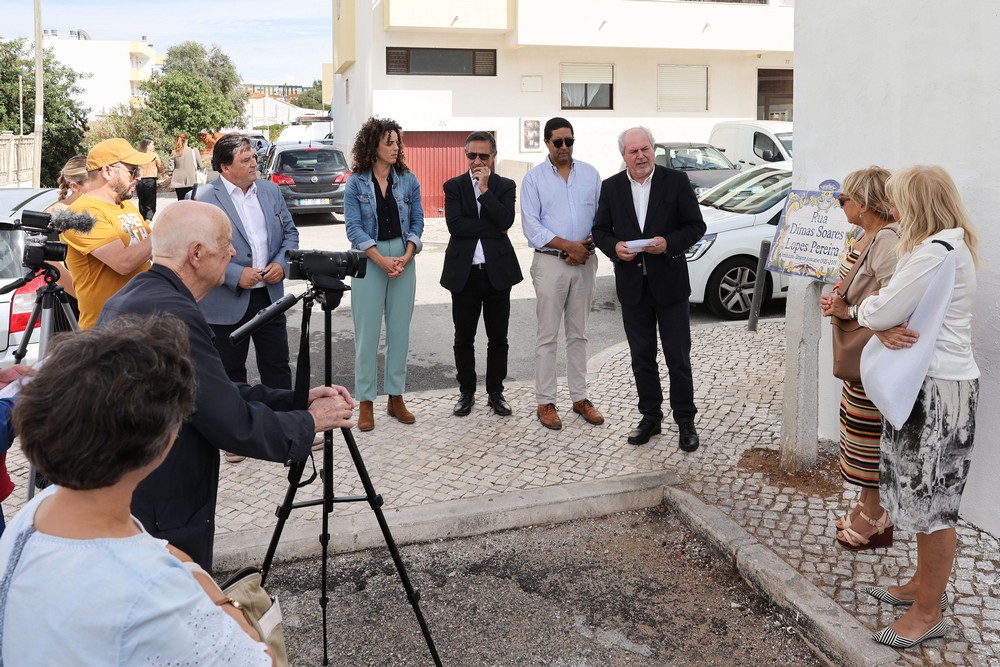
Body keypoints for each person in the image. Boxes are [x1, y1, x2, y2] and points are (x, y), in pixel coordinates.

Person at [0, 315, 274, 665]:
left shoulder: (34, 515)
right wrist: (229, 608)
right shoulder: (153, 592)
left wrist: (182, 565)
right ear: (161, 446)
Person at [98, 200, 355, 571]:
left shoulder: (139, 295)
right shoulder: (175, 315)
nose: (234, 252)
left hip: (136, 497)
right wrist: (310, 422)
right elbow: (231, 424)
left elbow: (210, 391)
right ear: (197, 253)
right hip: (159, 512)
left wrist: (296, 400)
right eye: (226, 242)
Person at [856, 165, 979, 649]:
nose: (894, 211)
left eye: (899, 201)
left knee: (934, 507)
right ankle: (920, 589)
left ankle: (929, 611)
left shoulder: (932, 252)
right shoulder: (953, 244)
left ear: (915, 204)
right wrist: (882, 318)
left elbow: (878, 306)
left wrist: (873, 317)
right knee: (925, 499)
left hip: (934, 393)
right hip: (942, 387)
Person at [592, 127, 706, 450]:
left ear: (653, 149)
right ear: (623, 156)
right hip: (633, 288)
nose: (640, 156)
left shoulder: (676, 182)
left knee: (678, 357)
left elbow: (697, 226)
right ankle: (650, 418)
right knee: (642, 357)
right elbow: (599, 230)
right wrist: (615, 247)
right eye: (633, 151)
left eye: (645, 149)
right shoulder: (611, 188)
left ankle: (685, 420)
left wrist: (668, 243)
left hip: (669, 286)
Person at [818, 166, 909, 550]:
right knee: (857, 432)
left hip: (871, 354)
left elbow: (896, 297)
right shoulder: (863, 235)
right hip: (860, 355)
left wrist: (850, 312)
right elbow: (857, 285)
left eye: (845, 198)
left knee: (869, 438)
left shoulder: (887, 240)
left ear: (865, 203)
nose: (841, 204)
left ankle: (875, 516)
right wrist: (838, 297)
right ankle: (866, 505)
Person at [520, 117, 604, 431]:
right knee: (547, 336)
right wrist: (568, 246)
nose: (565, 147)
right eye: (559, 142)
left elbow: (601, 218)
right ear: (547, 143)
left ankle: (580, 398)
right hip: (550, 263)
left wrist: (584, 247)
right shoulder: (534, 179)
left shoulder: (591, 175)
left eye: (569, 141)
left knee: (579, 334)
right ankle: (546, 401)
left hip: (584, 261)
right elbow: (531, 226)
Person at [196, 133, 298, 393]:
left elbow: (290, 234)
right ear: (225, 168)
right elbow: (196, 251)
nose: (254, 164)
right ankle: (238, 431)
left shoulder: (270, 190)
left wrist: (280, 264)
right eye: (246, 160)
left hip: (269, 297)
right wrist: (234, 274)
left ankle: (284, 430)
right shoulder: (203, 198)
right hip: (225, 301)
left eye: (253, 157)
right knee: (229, 377)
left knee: (277, 368)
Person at [344, 117, 424, 432]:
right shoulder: (355, 182)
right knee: (366, 335)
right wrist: (379, 259)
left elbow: (417, 221)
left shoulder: (408, 179)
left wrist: (405, 255)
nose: (395, 148)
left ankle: (395, 397)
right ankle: (365, 401)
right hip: (369, 258)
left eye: (397, 142)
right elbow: (353, 226)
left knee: (399, 333)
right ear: (372, 145)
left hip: (404, 258)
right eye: (388, 142)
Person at [441, 131, 522, 417]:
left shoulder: (504, 185)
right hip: (464, 274)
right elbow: (456, 227)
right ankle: (466, 392)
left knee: (498, 337)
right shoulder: (453, 186)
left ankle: (495, 392)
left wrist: (486, 191)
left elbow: (506, 220)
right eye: (472, 155)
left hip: (497, 273)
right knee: (463, 337)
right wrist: (492, 228)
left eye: (483, 156)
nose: (477, 161)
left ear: (493, 156)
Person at [61, 137, 155, 328]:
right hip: (106, 337)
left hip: (141, 327)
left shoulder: (125, 206)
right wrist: (168, 229)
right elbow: (123, 262)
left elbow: (152, 252)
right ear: (107, 171)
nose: (138, 177)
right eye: (133, 171)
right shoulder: (81, 214)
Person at [135, 136, 164, 221]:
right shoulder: (154, 155)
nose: (153, 146)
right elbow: (160, 167)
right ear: (148, 145)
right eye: (152, 144)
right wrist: (159, 174)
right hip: (150, 179)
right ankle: (149, 218)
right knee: (150, 201)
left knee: (141, 200)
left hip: (139, 180)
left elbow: (134, 167)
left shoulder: (138, 155)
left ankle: (142, 218)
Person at [170, 131, 201, 201]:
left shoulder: (174, 152)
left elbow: (170, 168)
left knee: (181, 201)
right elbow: (200, 165)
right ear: (187, 140)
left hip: (178, 181)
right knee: (191, 202)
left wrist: (170, 173)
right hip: (191, 180)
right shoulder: (194, 151)